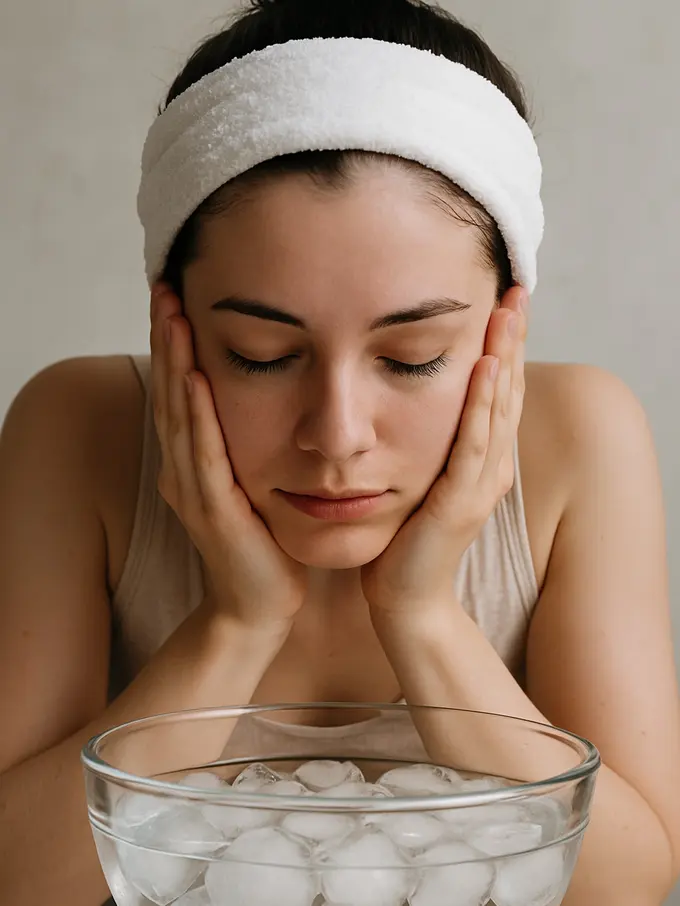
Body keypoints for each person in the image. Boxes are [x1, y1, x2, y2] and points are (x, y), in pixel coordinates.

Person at [1, 0, 679, 904]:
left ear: (502, 329)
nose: (338, 434)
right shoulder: (77, 426)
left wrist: (423, 612)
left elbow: (629, 883)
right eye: (262, 355)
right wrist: (236, 623)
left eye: (413, 358)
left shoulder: (579, 437)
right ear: (175, 325)